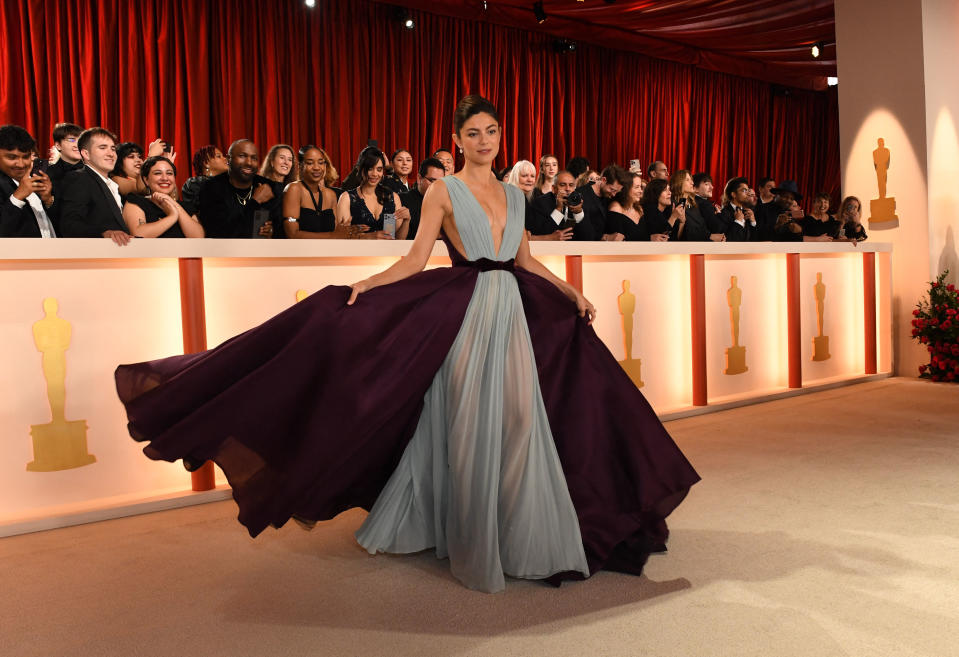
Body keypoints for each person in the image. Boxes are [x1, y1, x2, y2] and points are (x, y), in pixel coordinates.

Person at [114, 94, 699, 594]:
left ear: (501, 135)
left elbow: (525, 260)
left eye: (492, 131)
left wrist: (570, 289)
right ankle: (470, 539)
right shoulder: (442, 191)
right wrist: (366, 285)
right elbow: (416, 259)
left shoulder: (517, 196)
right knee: (470, 424)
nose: (485, 140)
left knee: (521, 423)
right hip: (467, 316)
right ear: (457, 139)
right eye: (473, 133)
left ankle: (516, 529)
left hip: (514, 315)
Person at [58, 127, 131, 245]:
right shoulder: (79, 179)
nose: (111, 153)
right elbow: (70, 224)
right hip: (95, 256)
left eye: (113, 149)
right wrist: (103, 233)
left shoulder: (112, 184)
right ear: (86, 154)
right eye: (102, 148)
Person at [197, 139, 278, 239]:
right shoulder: (211, 188)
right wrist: (255, 202)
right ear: (228, 159)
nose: (249, 162)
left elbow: (282, 230)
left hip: (262, 251)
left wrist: (272, 231)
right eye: (242, 156)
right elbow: (219, 233)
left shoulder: (268, 186)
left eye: (254, 158)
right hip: (223, 252)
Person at [336, 147, 409, 239]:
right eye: (370, 169)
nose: (375, 174)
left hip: (387, 252)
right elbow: (342, 238)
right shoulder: (347, 198)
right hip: (358, 253)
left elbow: (396, 239)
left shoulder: (392, 197)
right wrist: (368, 236)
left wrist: (406, 220)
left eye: (379, 169)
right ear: (360, 169)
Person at [121, 156, 203, 238]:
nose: (165, 178)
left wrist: (173, 204)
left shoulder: (186, 206)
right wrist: (173, 216)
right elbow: (139, 234)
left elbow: (198, 237)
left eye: (169, 173)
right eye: (158, 173)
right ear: (146, 180)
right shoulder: (136, 201)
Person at [0, 125, 56, 237]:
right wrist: (17, 197)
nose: (21, 164)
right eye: (12, 157)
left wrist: (48, 200)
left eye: (25, 157)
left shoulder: (38, 180)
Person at [283, 145, 348, 239]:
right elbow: (292, 234)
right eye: (310, 163)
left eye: (321, 163)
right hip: (300, 252)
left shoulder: (331, 195)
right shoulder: (294, 189)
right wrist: (331, 236)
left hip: (329, 252)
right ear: (300, 166)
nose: (316, 167)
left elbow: (337, 232)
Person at [525, 170, 595, 241]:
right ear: (554, 189)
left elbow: (589, 237)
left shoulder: (580, 202)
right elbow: (540, 234)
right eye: (562, 185)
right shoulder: (540, 203)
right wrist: (558, 209)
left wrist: (578, 213)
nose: (567, 189)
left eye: (571, 185)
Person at [578, 163, 628, 240]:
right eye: (612, 189)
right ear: (603, 180)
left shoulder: (609, 196)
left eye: (616, 192)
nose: (614, 195)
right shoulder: (582, 194)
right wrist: (603, 237)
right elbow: (581, 228)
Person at [606, 171, 660, 242]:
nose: (640, 191)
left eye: (640, 187)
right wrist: (649, 238)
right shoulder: (616, 208)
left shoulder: (639, 209)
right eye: (637, 187)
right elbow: (618, 240)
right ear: (626, 189)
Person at [671, 170, 723, 242]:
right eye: (687, 180)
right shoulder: (673, 203)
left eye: (691, 180)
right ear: (678, 182)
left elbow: (703, 228)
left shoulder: (694, 205)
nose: (692, 183)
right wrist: (709, 236)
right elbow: (681, 233)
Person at [401, 157, 445, 239]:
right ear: (419, 178)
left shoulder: (446, 202)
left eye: (440, 182)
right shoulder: (400, 199)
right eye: (432, 180)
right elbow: (390, 234)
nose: (436, 186)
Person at [180, 145, 229, 216]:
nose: (225, 159)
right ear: (206, 163)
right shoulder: (194, 183)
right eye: (219, 156)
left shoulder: (227, 182)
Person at [718, 177, 756, 242]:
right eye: (744, 190)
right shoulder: (723, 213)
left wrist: (753, 222)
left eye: (747, 190)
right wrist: (737, 222)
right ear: (734, 194)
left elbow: (753, 240)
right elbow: (725, 240)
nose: (748, 193)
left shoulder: (748, 213)